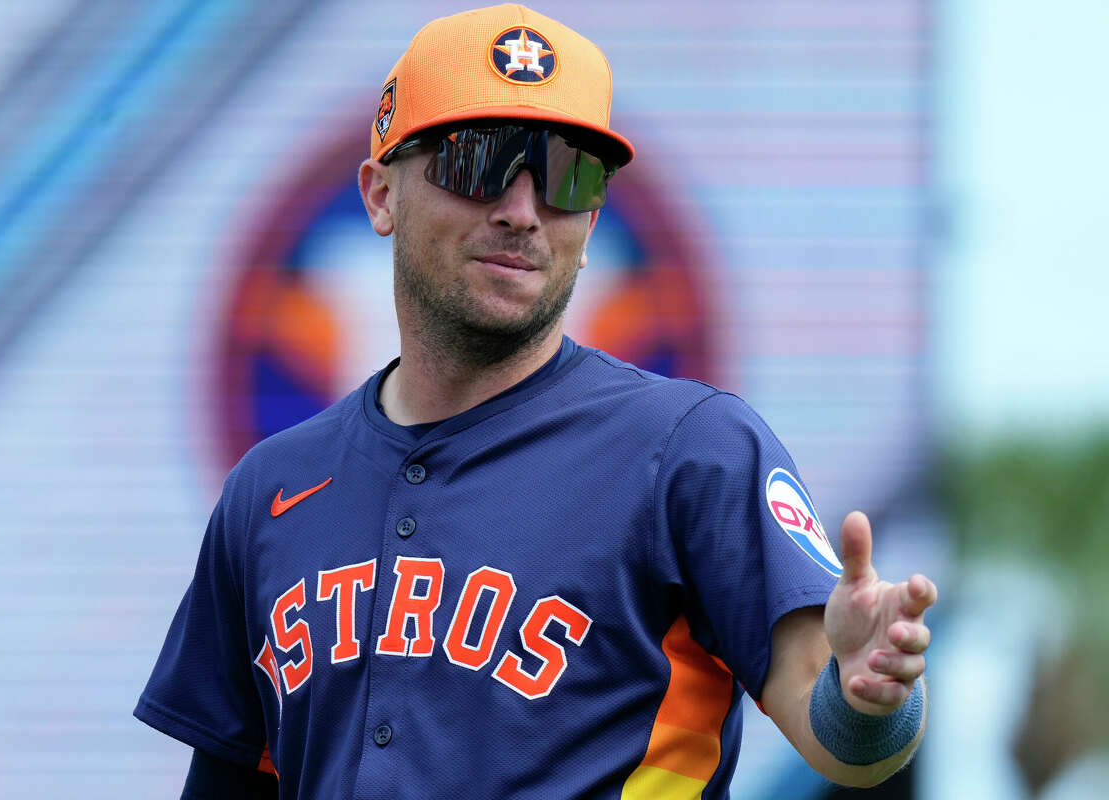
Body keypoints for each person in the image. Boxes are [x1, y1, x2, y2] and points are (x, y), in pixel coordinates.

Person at [135, 5, 938, 798]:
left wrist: (870, 698)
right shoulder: (272, 488)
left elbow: (842, 738)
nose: (521, 211)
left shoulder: (691, 450)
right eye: (478, 160)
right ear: (381, 195)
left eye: (567, 174)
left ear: (591, 222)